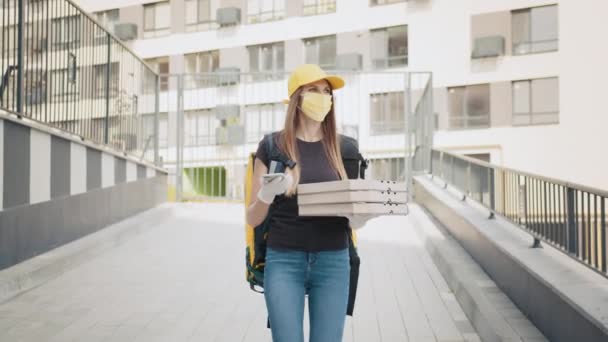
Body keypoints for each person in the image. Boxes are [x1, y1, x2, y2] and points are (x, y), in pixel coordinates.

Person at [245, 64, 374, 342]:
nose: (322, 96)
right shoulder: (272, 146)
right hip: (284, 261)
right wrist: (266, 195)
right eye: (313, 90)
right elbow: (253, 218)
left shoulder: (345, 149)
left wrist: (358, 219)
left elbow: (353, 206)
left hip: (333, 262)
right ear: (296, 99)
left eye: (326, 91)